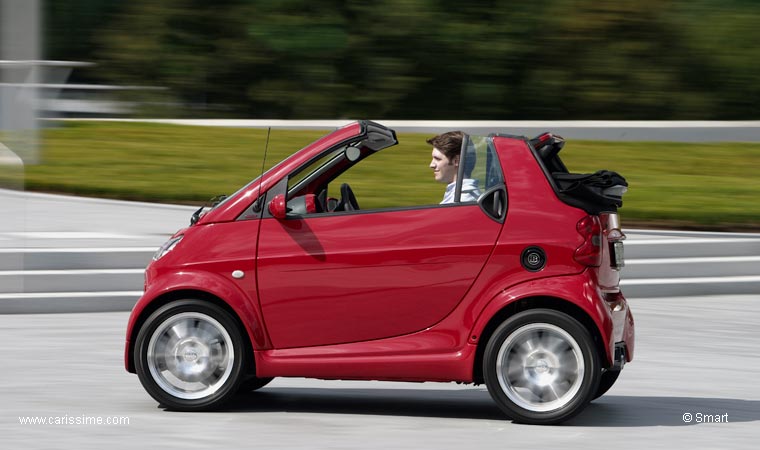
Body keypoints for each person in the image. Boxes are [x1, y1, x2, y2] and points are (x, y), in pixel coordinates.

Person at [427, 131, 480, 204]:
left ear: (456, 161)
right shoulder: (458, 195)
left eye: (438, 159)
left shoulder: (463, 200)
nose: (431, 165)